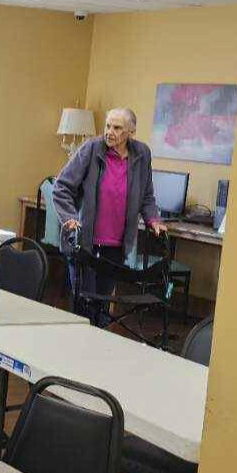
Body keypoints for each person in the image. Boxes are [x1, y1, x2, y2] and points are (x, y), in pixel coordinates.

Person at [51, 107, 168, 325]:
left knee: (103, 308)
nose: (109, 132)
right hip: (84, 244)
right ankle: (75, 353)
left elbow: (147, 195)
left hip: (116, 246)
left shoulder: (142, 154)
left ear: (131, 132)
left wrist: (154, 220)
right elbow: (61, 188)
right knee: (84, 307)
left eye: (117, 128)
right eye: (107, 126)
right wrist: (69, 218)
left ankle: (99, 353)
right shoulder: (91, 149)